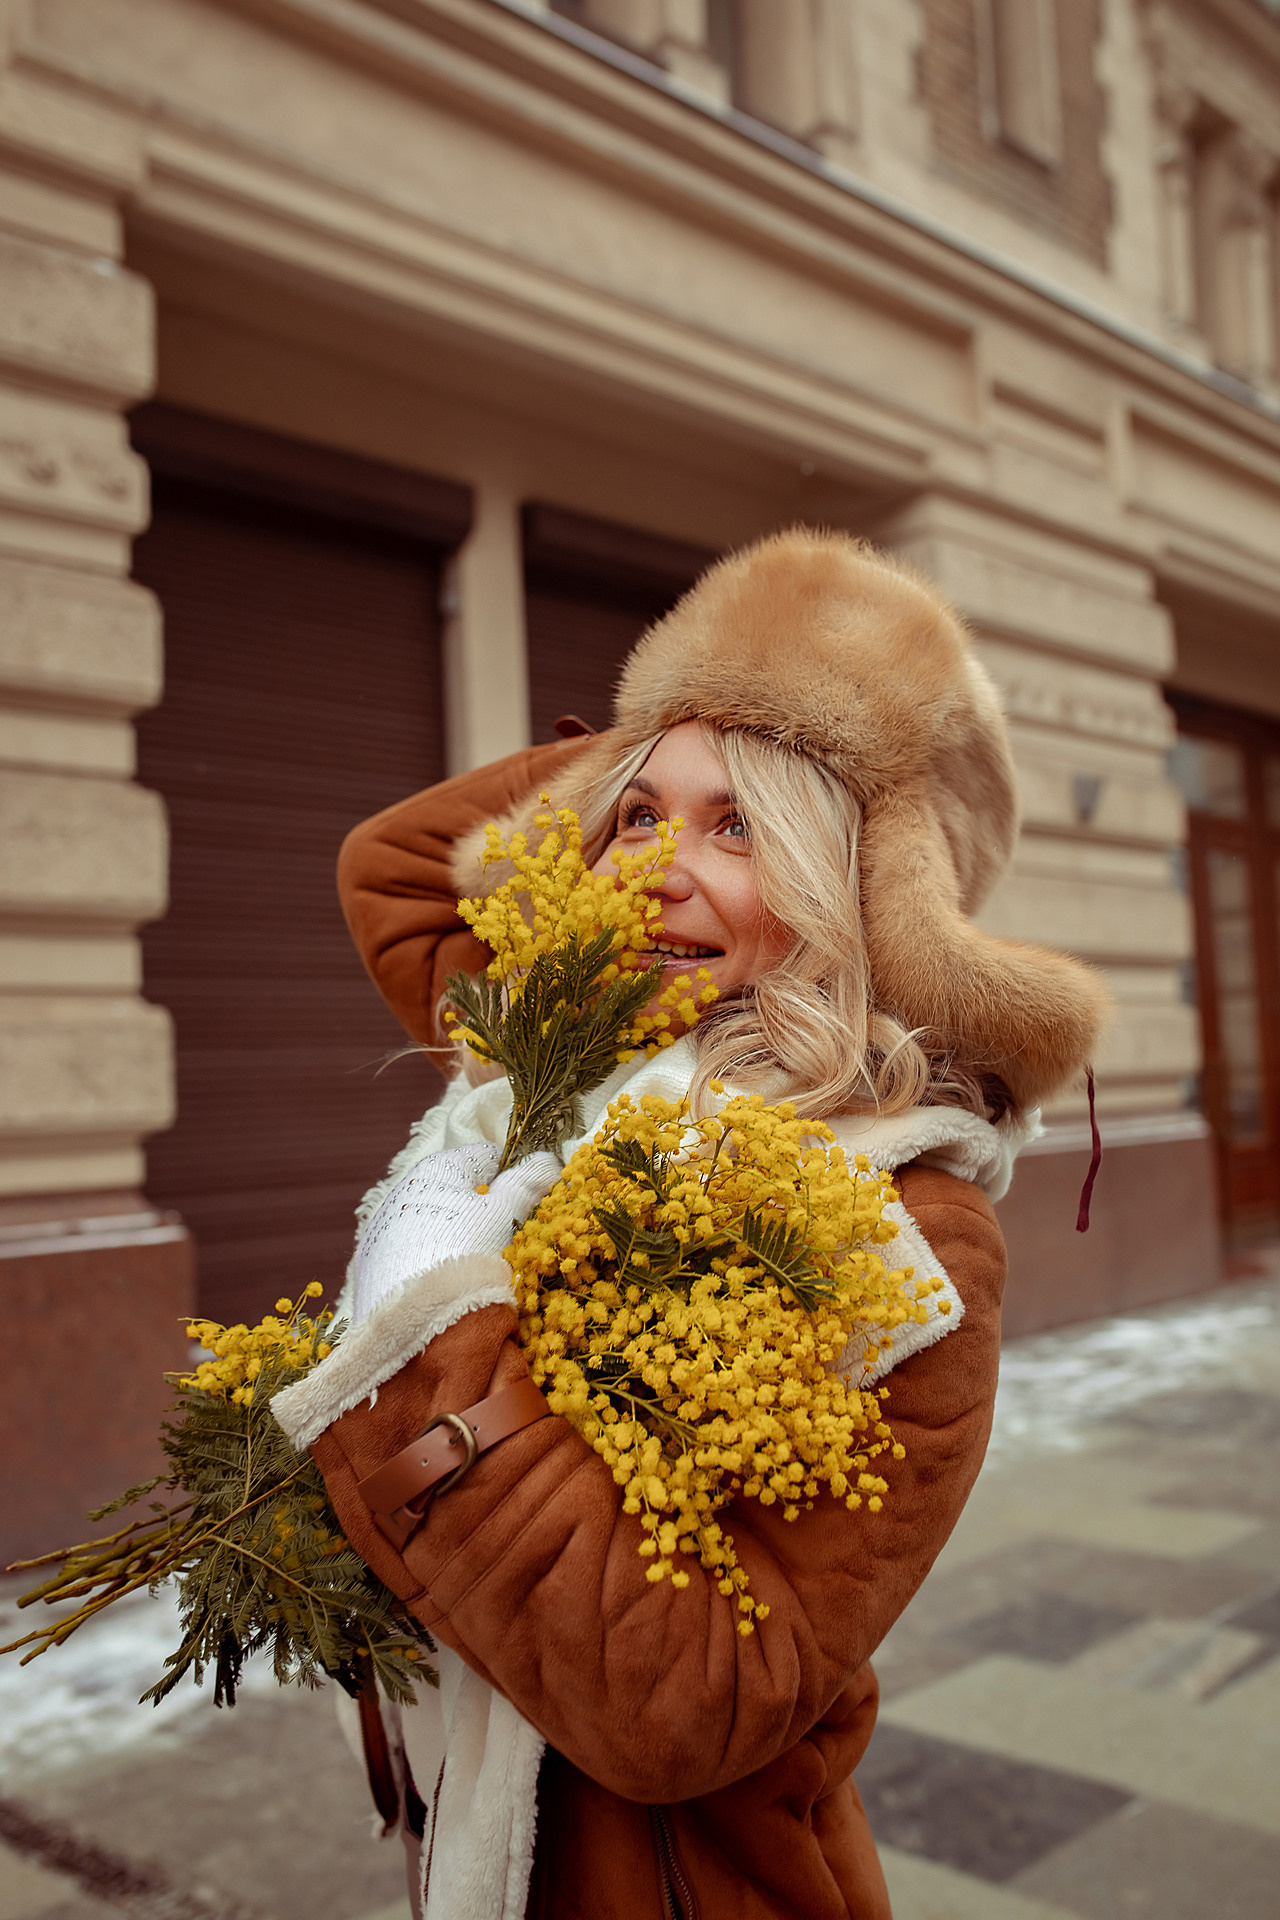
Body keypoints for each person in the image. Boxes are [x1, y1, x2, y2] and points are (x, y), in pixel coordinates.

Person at [272, 528, 1108, 1920]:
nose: (659, 866)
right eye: (639, 817)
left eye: (739, 826)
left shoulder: (904, 1229)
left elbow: (682, 1705)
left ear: (859, 892)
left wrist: (430, 1315)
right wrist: (712, 697)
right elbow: (397, 864)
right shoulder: (567, 1042)